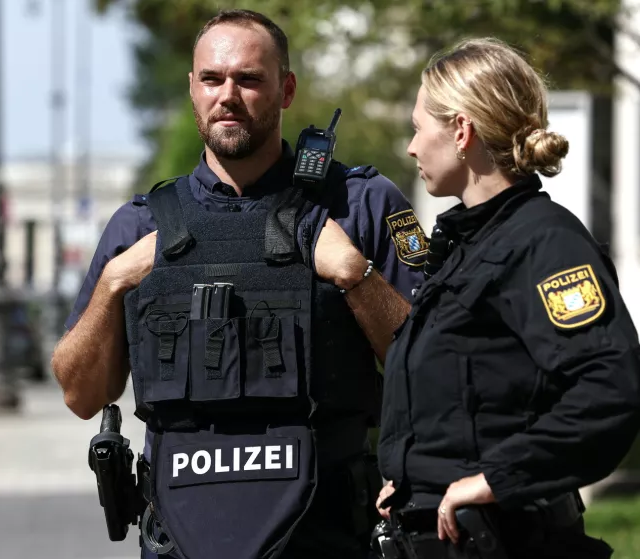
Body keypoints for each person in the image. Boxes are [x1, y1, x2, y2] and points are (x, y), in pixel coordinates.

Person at [52, 9, 427, 559]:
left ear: (286, 89)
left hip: (327, 535)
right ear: (193, 89)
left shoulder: (361, 205)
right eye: (212, 79)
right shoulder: (140, 226)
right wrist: (112, 283)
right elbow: (81, 395)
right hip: (184, 537)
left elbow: (428, 364)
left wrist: (355, 275)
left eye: (249, 79)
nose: (228, 95)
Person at [375, 37, 640, 559]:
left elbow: (609, 390)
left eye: (417, 127)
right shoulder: (464, 248)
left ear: (461, 130)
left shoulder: (543, 241)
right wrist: (409, 480)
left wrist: (494, 480)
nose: (410, 147)